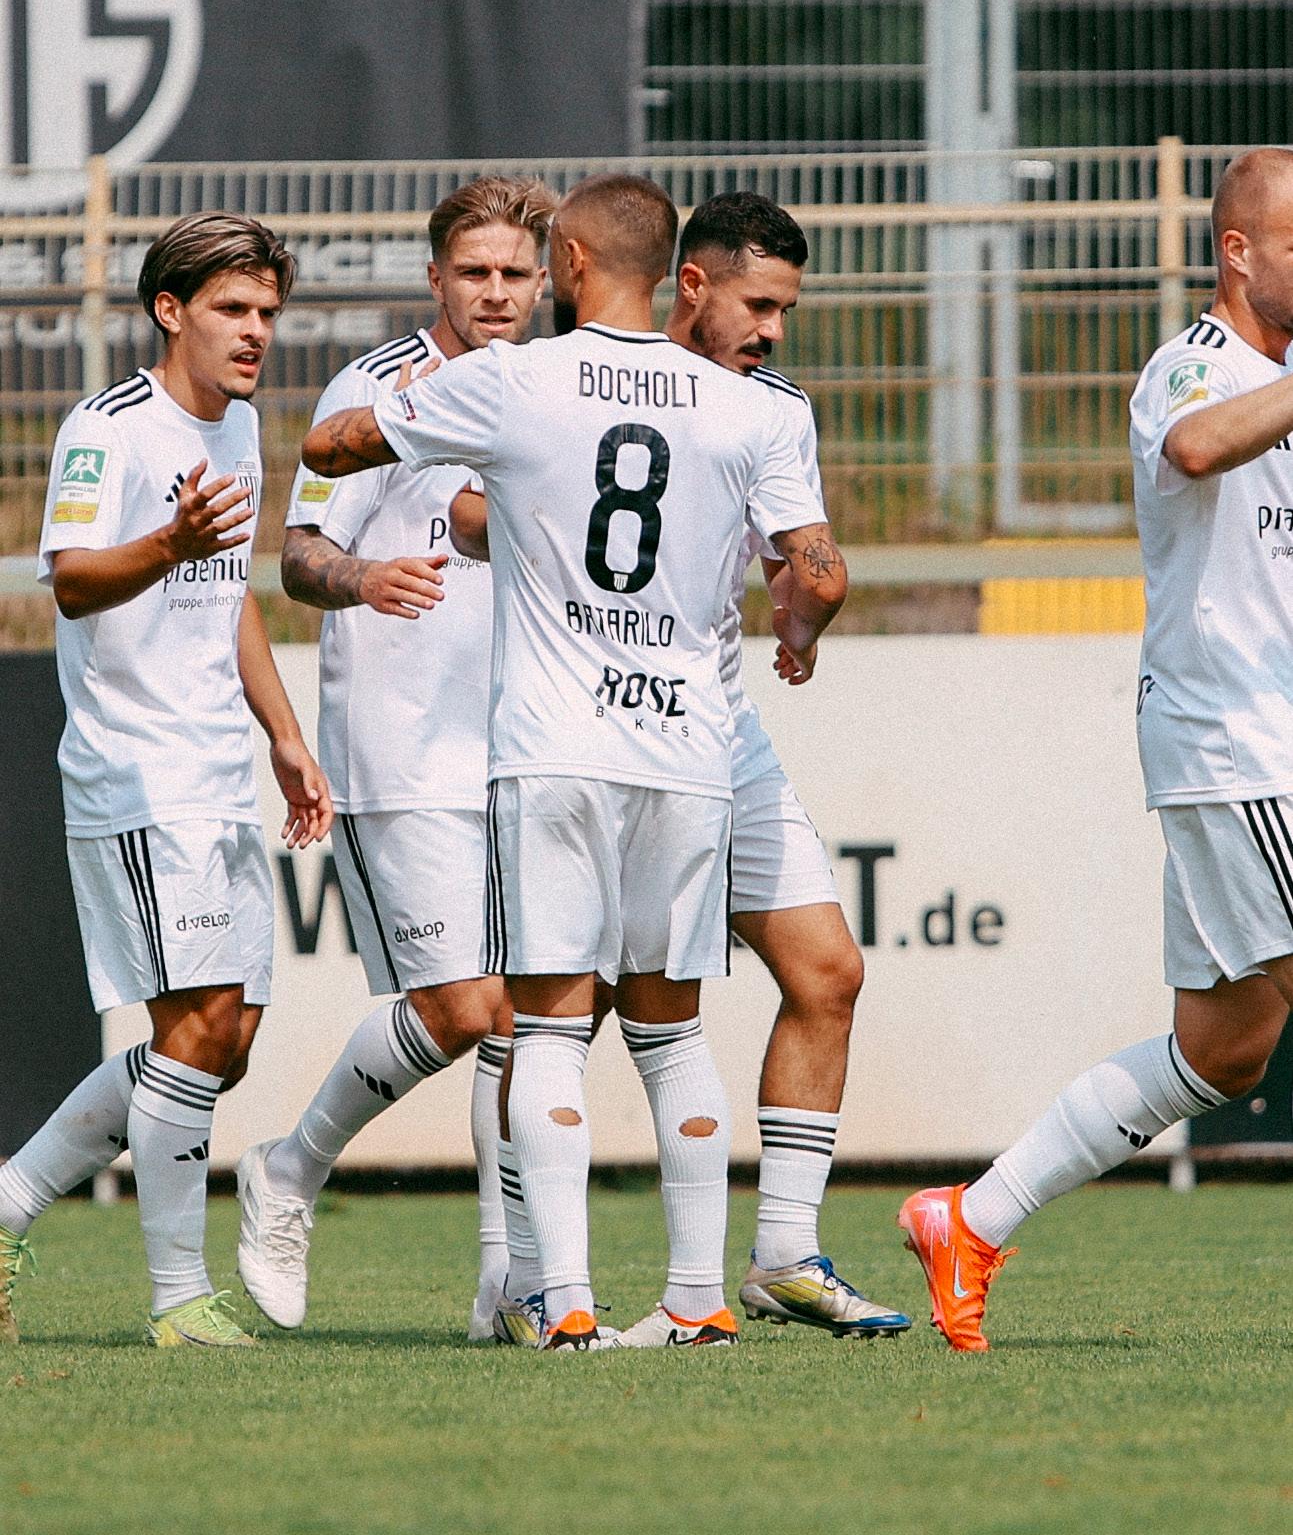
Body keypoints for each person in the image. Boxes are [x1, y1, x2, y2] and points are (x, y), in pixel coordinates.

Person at [301, 173, 847, 1350]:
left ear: (574, 263)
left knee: (546, 1032)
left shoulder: (515, 379)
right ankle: (697, 1301)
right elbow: (818, 572)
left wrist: (425, 418)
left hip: (556, 746)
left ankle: (566, 1304)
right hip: (688, 748)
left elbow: (332, 448)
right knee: (674, 1035)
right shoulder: (747, 408)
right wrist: (800, 625)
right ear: (673, 275)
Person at [452, 191, 909, 1342]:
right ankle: (526, 1275)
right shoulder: (566, 379)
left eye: (787, 309)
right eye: (758, 303)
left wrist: (800, 616)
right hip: (593, 726)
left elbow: (802, 564)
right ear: (689, 285)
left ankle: (783, 1256)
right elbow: (472, 511)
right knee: (563, 1012)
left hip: (712, 731)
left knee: (828, 972)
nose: (773, 329)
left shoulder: (772, 408)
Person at [900, 147, 1293, 1351]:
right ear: (1238, 252)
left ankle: (971, 1218)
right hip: (1241, 745)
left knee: (1224, 1053)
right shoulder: (1195, 365)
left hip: (1260, 746)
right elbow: (1195, 449)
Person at [0, 213, 331, 1349]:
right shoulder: (109, 428)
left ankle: (9, 1200)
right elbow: (72, 579)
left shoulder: (238, 423)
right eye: (233, 309)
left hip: (217, 766)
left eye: (268, 312)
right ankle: (179, 1297)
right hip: (136, 772)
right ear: (169, 310)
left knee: (224, 1042)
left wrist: (283, 733)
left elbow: (229, 592)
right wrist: (169, 545)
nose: (255, 332)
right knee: (195, 1024)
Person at [234, 176, 555, 1337]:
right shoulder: (371, 393)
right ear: (436, 279)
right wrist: (366, 576)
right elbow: (298, 555)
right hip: (401, 748)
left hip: (525, 747)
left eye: (515, 273)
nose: (495, 293)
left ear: (545, 282)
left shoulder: (553, 394)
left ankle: (506, 1284)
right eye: (474, 272)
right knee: (464, 1009)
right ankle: (291, 1164)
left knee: (520, 1021)